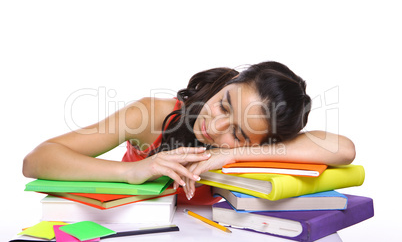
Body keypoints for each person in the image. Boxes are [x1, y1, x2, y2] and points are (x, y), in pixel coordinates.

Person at [23, 61, 356, 205]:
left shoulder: (260, 146)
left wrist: (234, 153)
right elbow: (37, 160)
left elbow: (342, 149)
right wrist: (132, 170)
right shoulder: (152, 115)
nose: (215, 126)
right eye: (224, 105)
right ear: (228, 83)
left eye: (238, 134)